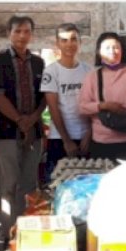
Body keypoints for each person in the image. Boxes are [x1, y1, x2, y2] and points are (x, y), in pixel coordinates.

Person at [0, 15, 46, 248]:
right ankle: (9, 234)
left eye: (26, 31)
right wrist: (20, 120)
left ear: (32, 34)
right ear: (8, 33)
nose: (22, 36)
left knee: (29, 185)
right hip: (7, 132)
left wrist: (33, 119)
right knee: (8, 185)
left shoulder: (39, 63)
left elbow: (45, 96)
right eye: (17, 31)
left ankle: (28, 231)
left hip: (34, 132)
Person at [78, 32, 126, 161]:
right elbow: (82, 107)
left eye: (116, 47)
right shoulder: (92, 76)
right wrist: (104, 106)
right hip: (103, 141)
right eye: (107, 48)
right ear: (99, 52)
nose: (112, 51)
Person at [40, 23, 93, 180]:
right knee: (59, 184)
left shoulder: (88, 71)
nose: (69, 44)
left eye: (73, 39)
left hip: (85, 138)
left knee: (85, 185)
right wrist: (66, 140)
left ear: (80, 42)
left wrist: (89, 134)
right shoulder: (51, 71)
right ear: (57, 44)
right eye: (64, 40)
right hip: (59, 138)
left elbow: (93, 104)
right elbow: (53, 107)